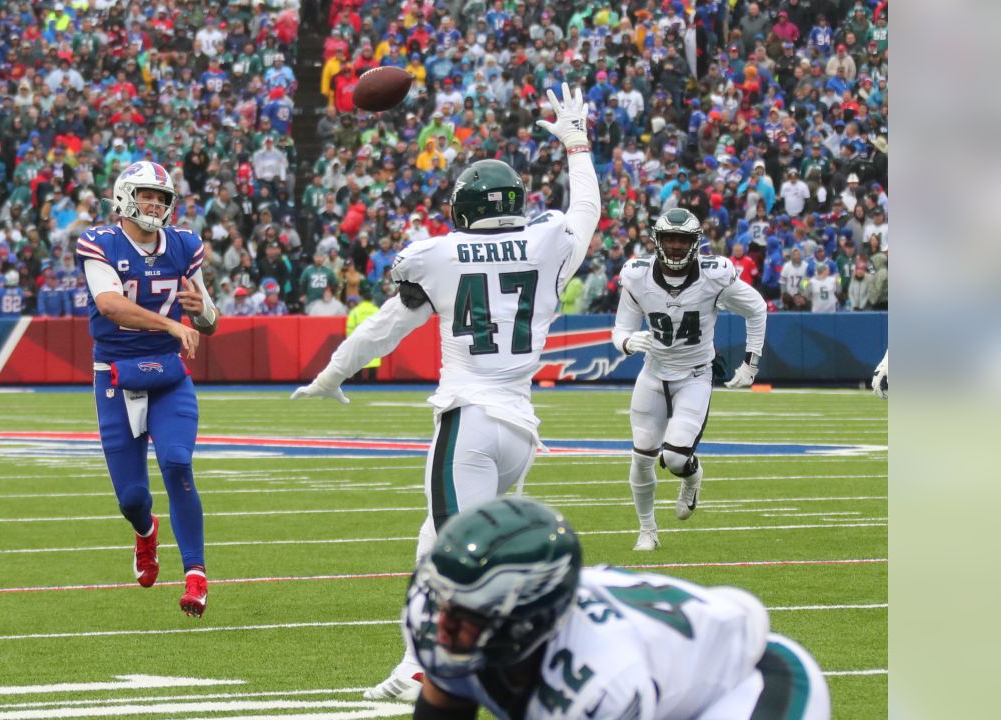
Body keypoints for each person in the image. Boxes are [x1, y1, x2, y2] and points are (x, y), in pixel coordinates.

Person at [292, 83, 599, 700]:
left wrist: (332, 372)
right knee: (435, 543)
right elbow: (586, 211)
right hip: (520, 429)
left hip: (469, 424)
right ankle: (413, 667)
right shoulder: (547, 242)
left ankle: (497, 678)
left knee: (465, 567)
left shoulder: (436, 254)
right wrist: (576, 145)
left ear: (465, 206)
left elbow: (386, 327)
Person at [405, 496, 832, 720]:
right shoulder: (447, 625)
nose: (443, 626)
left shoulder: (596, 682)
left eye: (470, 615)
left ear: (527, 622)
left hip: (750, 682)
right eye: (445, 603)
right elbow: (444, 708)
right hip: (663, 674)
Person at [74, 161, 220, 618]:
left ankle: (195, 576)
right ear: (123, 197)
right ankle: (145, 533)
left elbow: (210, 321)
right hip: (115, 370)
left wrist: (198, 314)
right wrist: (172, 324)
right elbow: (111, 305)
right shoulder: (100, 242)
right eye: (146, 195)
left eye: (161, 197)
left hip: (167, 374)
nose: (154, 204)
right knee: (132, 498)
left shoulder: (183, 245)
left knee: (178, 463)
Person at [612, 208, 767, 551]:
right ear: (658, 241)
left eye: (683, 240)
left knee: (677, 459)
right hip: (653, 374)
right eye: (671, 239)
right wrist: (626, 341)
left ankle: (692, 477)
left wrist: (750, 364)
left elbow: (757, 307)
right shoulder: (637, 276)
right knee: (641, 456)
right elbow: (621, 327)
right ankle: (647, 530)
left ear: (695, 243)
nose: (677, 247)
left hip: (695, 376)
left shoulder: (715, 275)